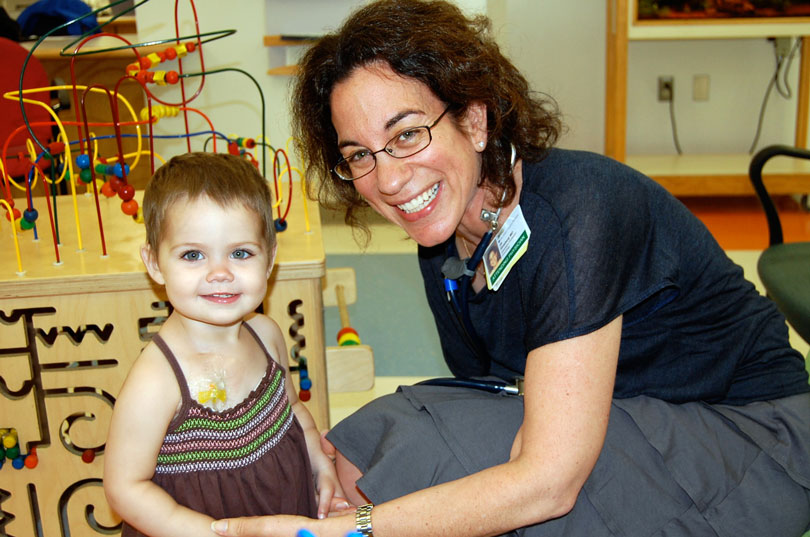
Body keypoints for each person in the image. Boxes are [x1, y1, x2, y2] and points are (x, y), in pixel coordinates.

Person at [211, 1, 810, 536]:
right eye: (359, 155)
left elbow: (548, 483)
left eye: (408, 135)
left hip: (755, 442)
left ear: (474, 121)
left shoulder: (580, 211)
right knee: (364, 452)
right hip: (628, 410)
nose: (388, 179)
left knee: (414, 472)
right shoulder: (444, 243)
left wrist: (361, 529)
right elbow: (495, 392)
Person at [104, 152, 347, 537]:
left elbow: (294, 410)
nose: (220, 273)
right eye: (193, 255)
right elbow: (124, 489)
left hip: (286, 510)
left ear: (269, 261)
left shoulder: (266, 335)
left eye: (240, 253)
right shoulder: (156, 381)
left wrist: (319, 463)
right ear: (154, 263)